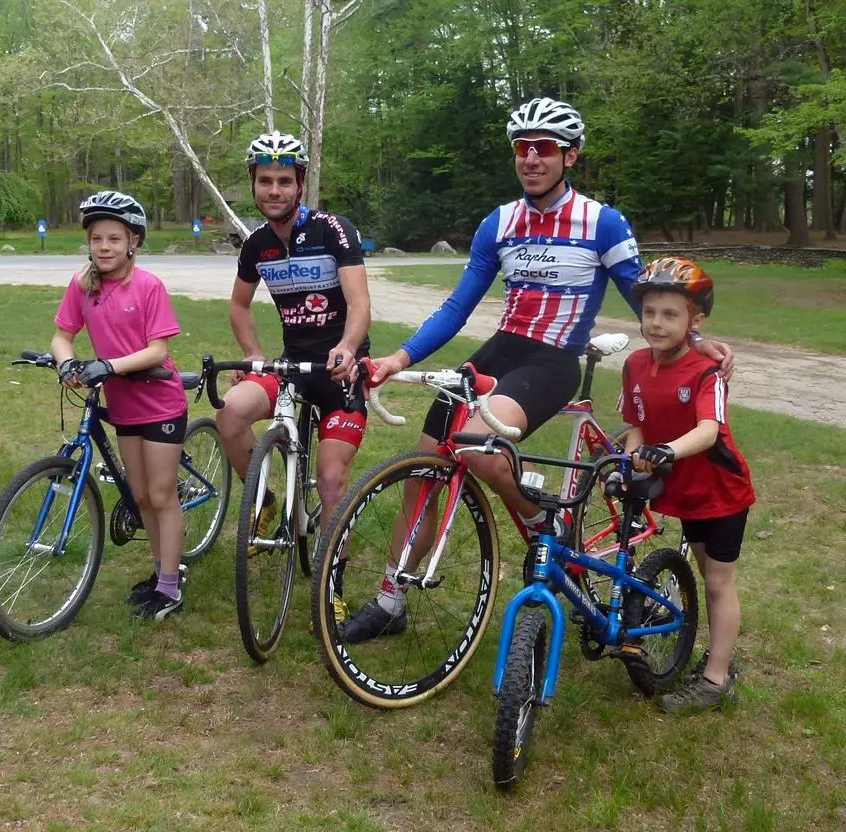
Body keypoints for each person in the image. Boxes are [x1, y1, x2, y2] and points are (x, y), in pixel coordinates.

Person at [342, 96, 734, 643]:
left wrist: (696, 341)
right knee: (425, 471)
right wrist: (399, 358)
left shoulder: (602, 222)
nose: (531, 158)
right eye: (522, 149)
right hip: (501, 348)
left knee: (477, 444)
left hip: (552, 359)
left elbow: (650, 296)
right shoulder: (499, 223)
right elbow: (457, 307)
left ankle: (540, 519)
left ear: (569, 156)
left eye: (544, 148)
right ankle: (391, 598)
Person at [215, 131, 373, 621]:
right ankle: (263, 503)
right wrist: (254, 355)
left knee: (329, 479)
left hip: (340, 371)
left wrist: (348, 347)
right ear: (254, 185)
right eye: (266, 181)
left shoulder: (332, 230)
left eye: (285, 181)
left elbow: (361, 302)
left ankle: (331, 584)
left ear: (300, 185)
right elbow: (239, 306)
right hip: (292, 366)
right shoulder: (257, 244)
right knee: (230, 413)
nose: (275, 190)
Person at [618, 257, 754, 712]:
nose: (657, 323)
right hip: (682, 491)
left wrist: (667, 451)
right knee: (702, 570)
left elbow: (709, 430)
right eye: (650, 312)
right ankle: (716, 657)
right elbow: (634, 422)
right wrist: (636, 452)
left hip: (719, 491)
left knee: (718, 582)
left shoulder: (705, 370)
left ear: (695, 321)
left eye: (671, 314)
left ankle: (716, 679)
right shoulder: (635, 364)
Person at [51, 190, 188, 622]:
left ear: (134, 242)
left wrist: (107, 364)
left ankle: (171, 587)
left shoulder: (148, 286)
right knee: (141, 495)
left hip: (161, 402)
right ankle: (159, 572)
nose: (104, 247)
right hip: (124, 405)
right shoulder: (81, 286)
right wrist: (67, 363)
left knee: (163, 495)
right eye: (97, 239)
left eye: (114, 238)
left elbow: (156, 350)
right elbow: (61, 335)